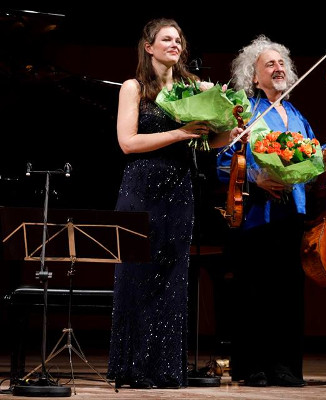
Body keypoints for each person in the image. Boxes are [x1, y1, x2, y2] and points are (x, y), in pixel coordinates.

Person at [217, 35, 326, 387]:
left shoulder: (297, 115)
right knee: (254, 292)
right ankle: (252, 366)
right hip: (254, 214)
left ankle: (285, 366)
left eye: (282, 63)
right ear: (253, 77)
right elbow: (222, 162)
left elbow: (314, 159)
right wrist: (256, 176)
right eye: (270, 64)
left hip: (292, 214)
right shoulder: (244, 110)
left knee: (286, 293)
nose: (278, 68)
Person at [107, 18, 232, 389]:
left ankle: (165, 368)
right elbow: (127, 143)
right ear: (149, 46)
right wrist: (178, 132)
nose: (175, 45)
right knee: (138, 274)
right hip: (141, 185)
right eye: (166, 39)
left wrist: (228, 124)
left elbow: (209, 142)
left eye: (178, 40)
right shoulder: (133, 88)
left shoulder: (192, 88)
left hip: (179, 187)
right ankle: (134, 367)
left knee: (172, 277)